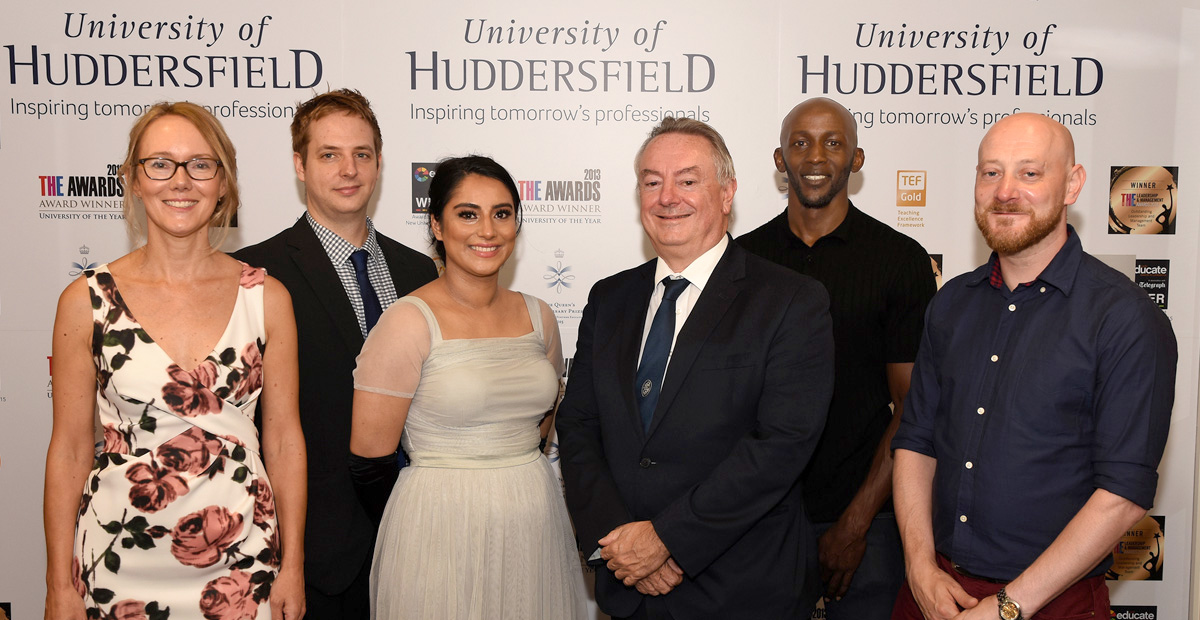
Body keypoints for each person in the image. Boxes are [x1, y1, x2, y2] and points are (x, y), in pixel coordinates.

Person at [891, 113, 1178, 620]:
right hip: (933, 593)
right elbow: (916, 442)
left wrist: (1007, 606)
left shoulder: (1126, 318)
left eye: (1029, 173)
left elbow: (1123, 494)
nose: (1005, 192)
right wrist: (919, 568)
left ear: (1073, 184)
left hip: (1052, 602)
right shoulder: (951, 303)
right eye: (990, 173)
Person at [556, 117, 836, 620]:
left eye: (687, 180)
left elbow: (782, 444)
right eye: (651, 182)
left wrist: (668, 539)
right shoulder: (609, 297)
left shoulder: (791, 300)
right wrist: (621, 542)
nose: (667, 198)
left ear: (726, 194)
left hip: (742, 590)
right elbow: (578, 425)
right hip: (628, 587)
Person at [45, 102, 307, 619]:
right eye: (160, 163)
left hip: (242, 562)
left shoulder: (266, 296)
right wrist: (59, 583)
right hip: (117, 559)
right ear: (134, 180)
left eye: (200, 164)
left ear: (224, 182)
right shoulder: (86, 299)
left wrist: (293, 566)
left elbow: (283, 440)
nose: (180, 181)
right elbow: (71, 449)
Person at [348, 156, 588, 619]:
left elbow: (543, 421)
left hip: (533, 520)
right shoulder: (406, 321)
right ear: (437, 224)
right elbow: (369, 457)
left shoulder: (541, 316)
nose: (488, 230)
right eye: (467, 214)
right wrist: (422, 517)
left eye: (502, 213)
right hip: (438, 526)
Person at [233, 89, 438, 619]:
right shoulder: (254, 274)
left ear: (378, 163)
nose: (349, 170)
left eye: (362, 154)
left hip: (420, 535)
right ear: (300, 165)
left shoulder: (421, 272)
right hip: (314, 552)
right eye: (329, 155)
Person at [737, 97, 936, 619]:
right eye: (800, 143)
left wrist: (856, 522)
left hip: (869, 521)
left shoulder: (900, 261)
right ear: (780, 160)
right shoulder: (743, 261)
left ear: (857, 158)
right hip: (759, 521)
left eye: (833, 142)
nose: (816, 156)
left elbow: (912, 410)